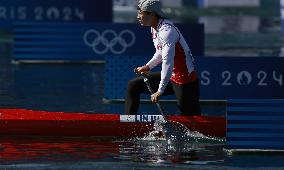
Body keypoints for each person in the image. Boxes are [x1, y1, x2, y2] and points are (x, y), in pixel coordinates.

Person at [125, 0, 200, 116]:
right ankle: (128, 123)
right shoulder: (154, 27)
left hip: (185, 80)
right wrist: (148, 66)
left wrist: (160, 90)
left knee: (192, 121)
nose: (138, 17)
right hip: (171, 76)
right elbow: (160, 52)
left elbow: (167, 62)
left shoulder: (167, 32)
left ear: (152, 14)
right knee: (133, 85)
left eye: (141, 13)